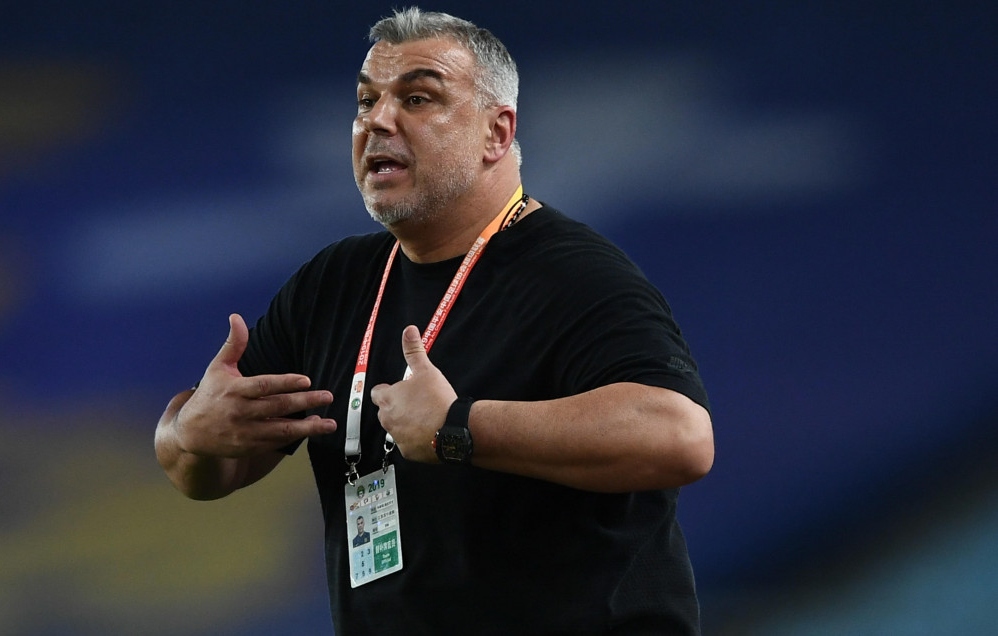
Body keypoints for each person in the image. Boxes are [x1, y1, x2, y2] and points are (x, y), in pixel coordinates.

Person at [155, 7, 714, 635]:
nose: (378, 120)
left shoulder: (573, 275)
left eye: (418, 97)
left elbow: (680, 437)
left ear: (496, 134)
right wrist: (188, 433)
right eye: (366, 100)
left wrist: (456, 427)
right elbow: (210, 472)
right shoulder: (333, 284)